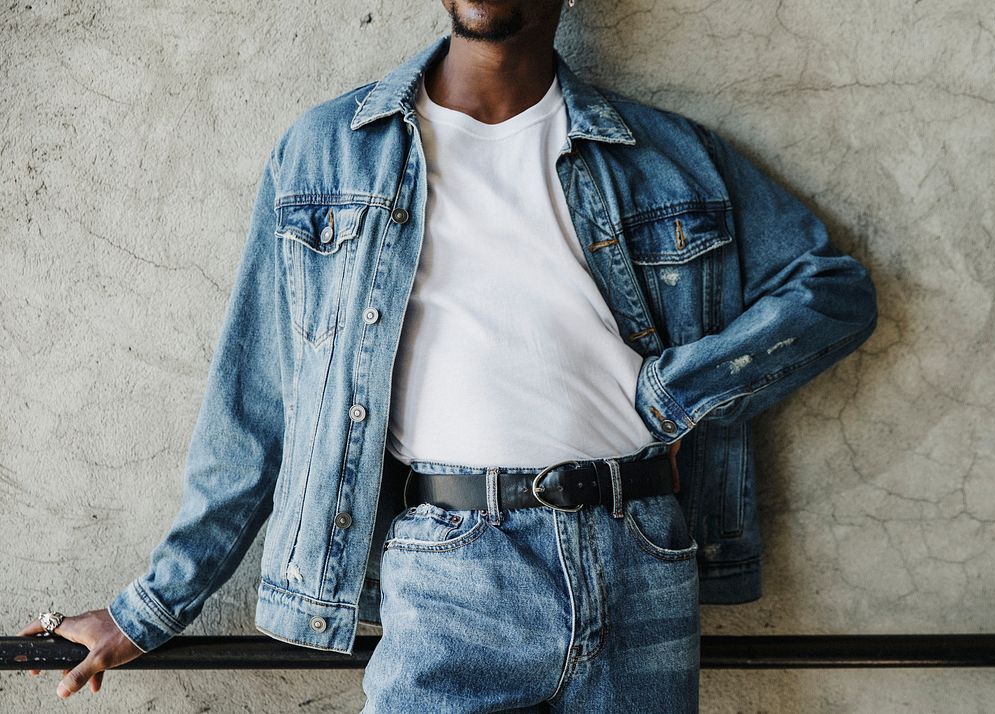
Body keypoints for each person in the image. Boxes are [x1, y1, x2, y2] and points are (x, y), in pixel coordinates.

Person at [17, 0, 878, 710]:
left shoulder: (668, 157)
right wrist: (150, 609)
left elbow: (833, 291)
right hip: (449, 567)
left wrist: (675, 396)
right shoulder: (329, 155)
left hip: (640, 557)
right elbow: (256, 404)